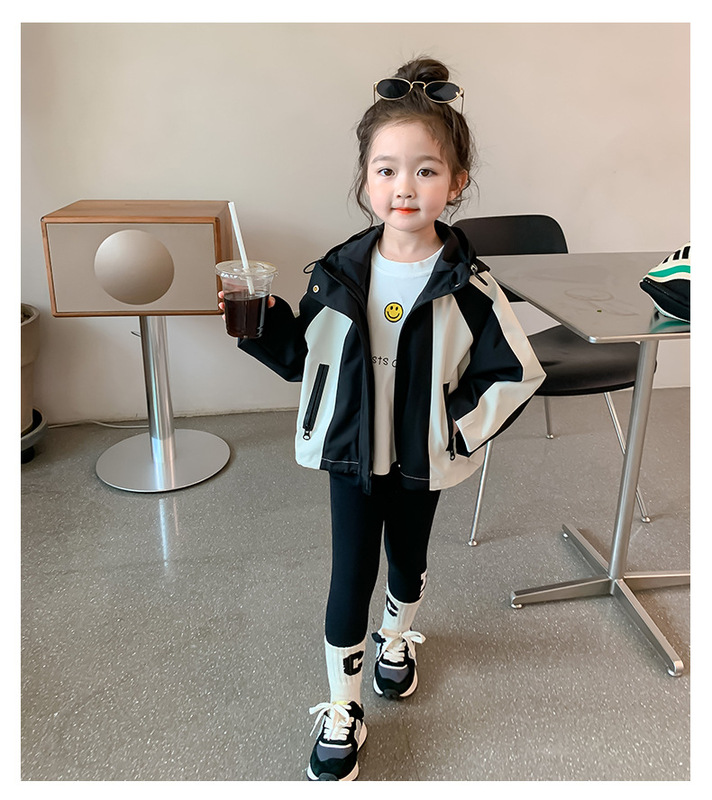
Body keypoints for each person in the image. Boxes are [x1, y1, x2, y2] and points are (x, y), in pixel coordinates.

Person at [220, 57, 545, 781]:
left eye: (426, 171)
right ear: (365, 181)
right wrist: (259, 325)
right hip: (351, 457)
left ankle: (395, 639)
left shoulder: (470, 286)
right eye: (387, 170)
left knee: (408, 559)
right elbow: (305, 360)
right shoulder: (337, 273)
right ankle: (343, 707)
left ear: (456, 183)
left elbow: (517, 373)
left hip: (422, 459)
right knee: (349, 576)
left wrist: (452, 430)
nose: (405, 187)